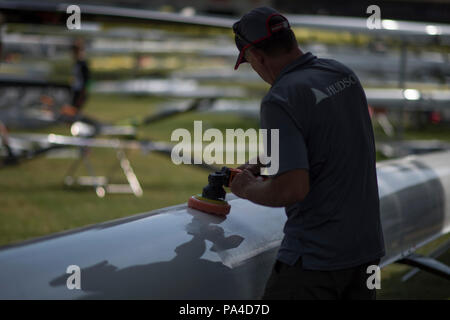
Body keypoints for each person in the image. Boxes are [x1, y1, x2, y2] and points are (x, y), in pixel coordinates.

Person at [230, 7, 385, 300]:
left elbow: (292, 188)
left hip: (315, 260)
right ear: (290, 39)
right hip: (366, 252)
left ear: (258, 57)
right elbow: (332, 139)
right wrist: (271, 159)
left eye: (250, 63)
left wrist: (246, 186)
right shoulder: (341, 74)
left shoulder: (280, 98)